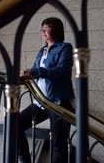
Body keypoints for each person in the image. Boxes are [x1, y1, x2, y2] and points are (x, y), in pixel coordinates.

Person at [19, 17, 75, 163]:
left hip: (59, 103)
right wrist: (26, 74)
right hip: (41, 101)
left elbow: (61, 70)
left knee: (58, 144)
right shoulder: (42, 50)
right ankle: (24, 159)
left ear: (56, 29)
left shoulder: (65, 47)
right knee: (14, 124)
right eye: (42, 28)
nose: (43, 31)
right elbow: (36, 70)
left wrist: (36, 71)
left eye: (47, 27)